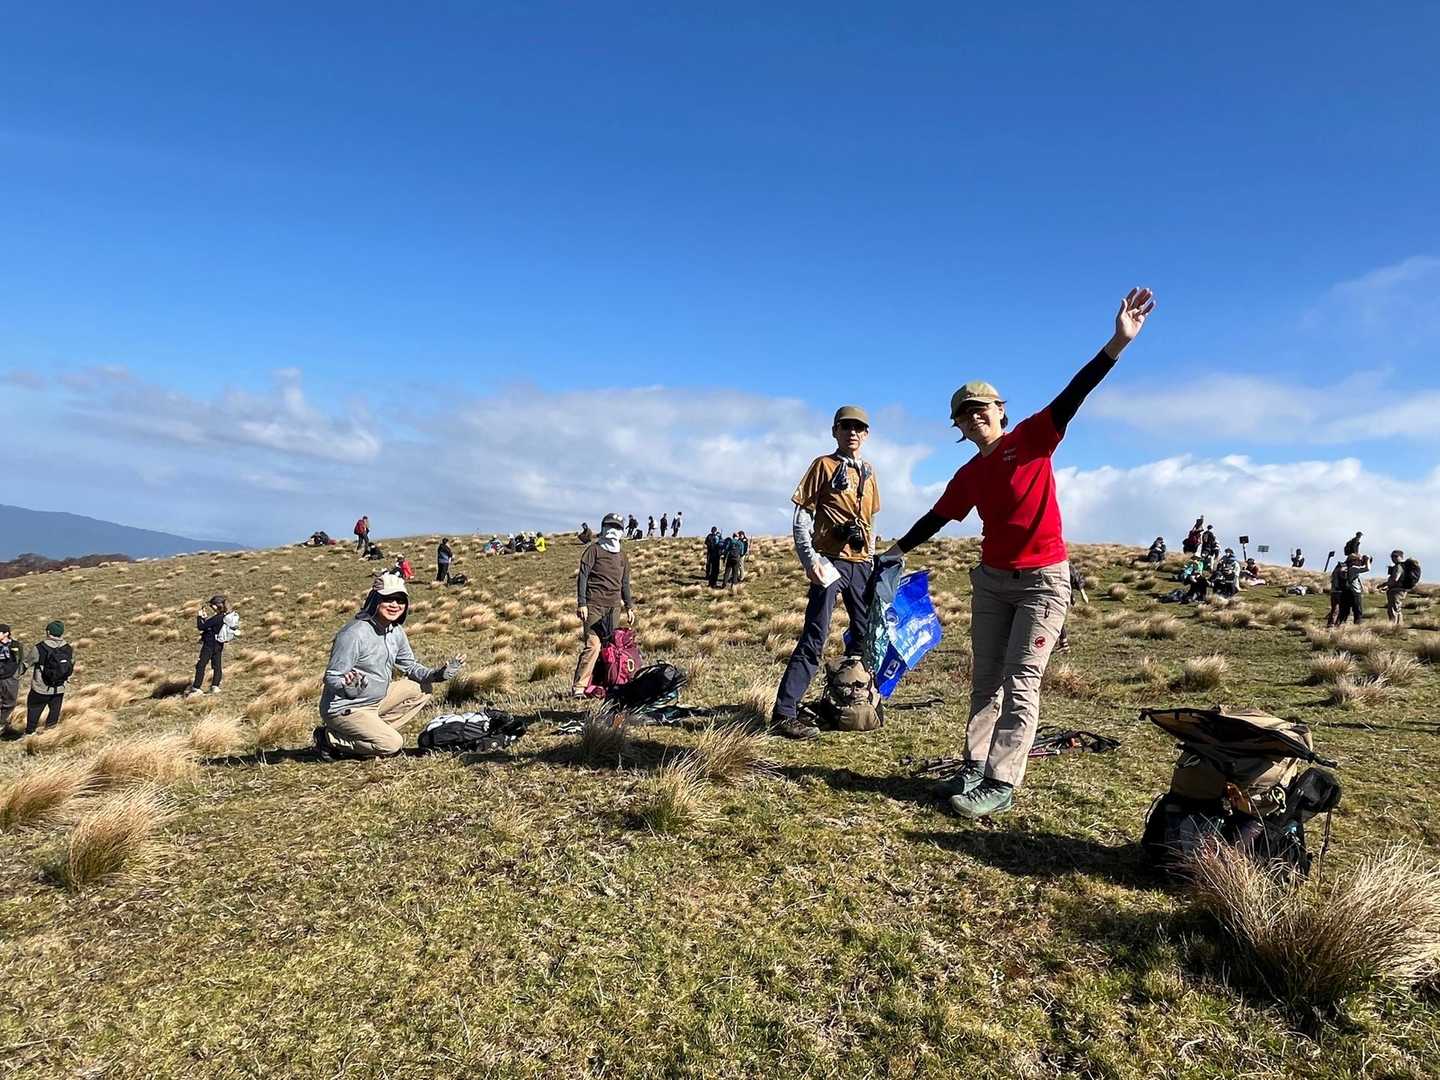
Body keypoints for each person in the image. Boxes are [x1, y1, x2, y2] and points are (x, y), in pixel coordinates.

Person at [884, 287, 1155, 818]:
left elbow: (1076, 392)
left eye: (980, 409)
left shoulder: (1032, 437)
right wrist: (894, 550)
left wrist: (1117, 344)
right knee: (985, 679)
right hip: (991, 582)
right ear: (958, 427)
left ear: (1000, 411)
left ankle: (1000, 781)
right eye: (964, 415)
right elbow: (937, 518)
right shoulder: (969, 474)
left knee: (1021, 681)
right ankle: (974, 767)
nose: (973, 418)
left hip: (1041, 581)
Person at [771, 404, 882, 740]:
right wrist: (811, 561)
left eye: (858, 428)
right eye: (845, 427)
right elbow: (801, 517)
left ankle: (853, 701)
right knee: (815, 636)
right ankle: (784, 714)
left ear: (866, 434)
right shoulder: (823, 465)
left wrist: (871, 558)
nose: (852, 433)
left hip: (861, 564)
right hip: (830, 562)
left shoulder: (869, 472)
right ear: (835, 431)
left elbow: (872, 521)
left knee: (866, 636)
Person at [314, 572, 464, 759]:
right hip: (346, 707)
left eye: (400, 601)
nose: (395, 605)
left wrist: (437, 675)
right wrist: (346, 689)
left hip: (375, 701)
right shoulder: (354, 634)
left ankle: (371, 732)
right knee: (392, 744)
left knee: (422, 688)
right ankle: (329, 738)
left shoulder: (395, 631)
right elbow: (332, 677)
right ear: (375, 601)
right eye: (388, 599)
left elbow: (410, 666)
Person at [572, 513, 635, 696]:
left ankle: (606, 683)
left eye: (617, 528)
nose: (613, 531)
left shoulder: (622, 557)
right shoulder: (593, 550)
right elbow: (583, 577)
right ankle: (579, 687)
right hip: (593, 605)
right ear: (603, 528)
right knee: (593, 645)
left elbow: (624, 583)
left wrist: (629, 607)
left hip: (613, 607)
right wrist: (582, 603)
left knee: (609, 648)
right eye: (610, 526)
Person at [24, 621, 73, 734]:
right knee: (54, 712)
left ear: (48, 632)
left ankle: (30, 733)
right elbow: (71, 665)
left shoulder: (39, 648)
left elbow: (26, 663)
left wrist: (15, 676)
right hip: (59, 688)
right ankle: (50, 734)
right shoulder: (68, 648)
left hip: (40, 688)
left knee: (34, 709)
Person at [185, 595, 238, 697]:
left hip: (209, 644)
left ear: (216, 606)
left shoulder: (217, 618)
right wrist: (205, 619)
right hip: (219, 644)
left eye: (212, 605)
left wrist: (199, 617)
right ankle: (215, 686)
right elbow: (209, 626)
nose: (211, 607)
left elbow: (201, 627)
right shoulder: (225, 617)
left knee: (201, 665)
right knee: (217, 666)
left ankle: (196, 688)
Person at [1333, 552, 1372, 626]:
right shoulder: (1353, 568)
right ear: (1354, 560)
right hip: (1354, 593)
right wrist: (1367, 559)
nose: (1361, 562)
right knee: (1358, 612)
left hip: (1345, 592)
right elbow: (1367, 568)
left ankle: (1338, 626)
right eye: (1359, 560)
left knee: (1344, 612)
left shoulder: (1345, 568)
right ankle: (1357, 627)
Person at [1055, 567, 1088, 651]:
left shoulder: (1064, 565)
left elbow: (1076, 577)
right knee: (1056, 619)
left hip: (1062, 595)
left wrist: (1083, 594)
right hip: (1055, 594)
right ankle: (1061, 643)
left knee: (1058, 618)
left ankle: (1064, 645)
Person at [0, 625, 22, 736]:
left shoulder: (16, 645)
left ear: (6, 634)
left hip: (10, 679)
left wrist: (17, 675)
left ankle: (3, 725)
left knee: (10, 702)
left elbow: (21, 661)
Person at [1384, 549, 1409, 625]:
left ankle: (1393, 626)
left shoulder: (1398, 566)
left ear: (1401, 557)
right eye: (1392, 556)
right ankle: (1398, 625)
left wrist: (1385, 584)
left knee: (1393, 609)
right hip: (1400, 590)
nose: (1393, 558)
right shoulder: (1403, 566)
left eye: (1395, 556)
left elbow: (1395, 579)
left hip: (1396, 590)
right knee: (1397, 608)